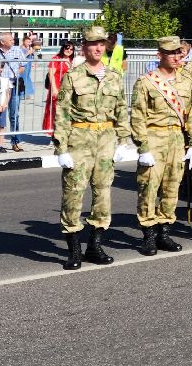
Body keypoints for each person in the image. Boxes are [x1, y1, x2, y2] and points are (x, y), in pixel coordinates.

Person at [53, 25, 134, 270]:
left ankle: (94, 246)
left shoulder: (114, 75)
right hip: (79, 139)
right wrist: (61, 148)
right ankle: (74, 249)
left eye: (101, 44)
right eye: (92, 44)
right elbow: (62, 113)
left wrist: (123, 140)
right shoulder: (73, 76)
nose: (98, 48)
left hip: (106, 140)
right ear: (84, 47)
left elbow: (121, 109)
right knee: (73, 194)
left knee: (103, 194)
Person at [130, 36, 192, 256]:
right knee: (149, 189)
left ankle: (164, 232)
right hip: (154, 138)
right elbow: (137, 117)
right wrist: (143, 148)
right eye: (171, 53)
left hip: (177, 141)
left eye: (179, 53)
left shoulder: (186, 81)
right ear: (159, 55)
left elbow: (191, 114)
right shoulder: (146, 82)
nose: (176, 57)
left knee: (172, 189)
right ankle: (149, 235)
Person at [0, 32, 29, 152]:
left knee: (14, 115)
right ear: (2, 42)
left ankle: (15, 142)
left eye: (13, 40)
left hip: (13, 85)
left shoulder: (17, 51)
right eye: (10, 40)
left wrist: (15, 75)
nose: (13, 42)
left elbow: (23, 66)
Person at [42, 41, 75, 141]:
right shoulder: (56, 59)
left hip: (68, 90)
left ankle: (65, 133)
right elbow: (51, 74)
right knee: (56, 112)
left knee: (67, 112)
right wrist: (54, 89)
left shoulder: (72, 60)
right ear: (63, 48)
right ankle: (55, 133)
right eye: (67, 48)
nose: (68, 50)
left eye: (71, 49)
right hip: (57, 88)